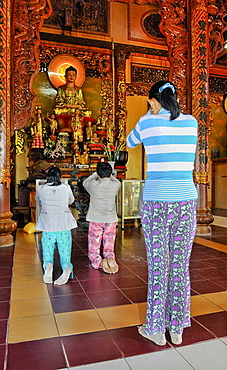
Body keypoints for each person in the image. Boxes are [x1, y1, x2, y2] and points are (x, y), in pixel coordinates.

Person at [126, 80, 198, 346]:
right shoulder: (191, 122)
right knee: (180, 266)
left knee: (159, 266)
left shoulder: (147, 122)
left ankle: (155, 329)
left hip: (156, 201)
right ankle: (177, 328)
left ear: (153, 100)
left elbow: (129, 142)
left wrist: (149, 112)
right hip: (186, 202)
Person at [36, 167, 77, 285]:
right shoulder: (66, 188)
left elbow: (38, 202)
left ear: (48, 177)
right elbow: (71, 200)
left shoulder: (41, 189)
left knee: (48, 251)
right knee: (65, 251)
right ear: (60, 177)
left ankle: (48, 266)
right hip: (63, 224)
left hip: (48, 224)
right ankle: (67, 267)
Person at [83, 162, 121, 274]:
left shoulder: (93, 186)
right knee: (109, 241)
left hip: (96, 219)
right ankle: (110, 258)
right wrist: (109, 175)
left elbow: (85, 182)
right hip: (111, 219)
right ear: (110, 173)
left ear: (98, 173)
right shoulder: (115, 185)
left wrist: (96, 174)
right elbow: (115, 180)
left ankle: (98, 261)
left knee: (94, 244)